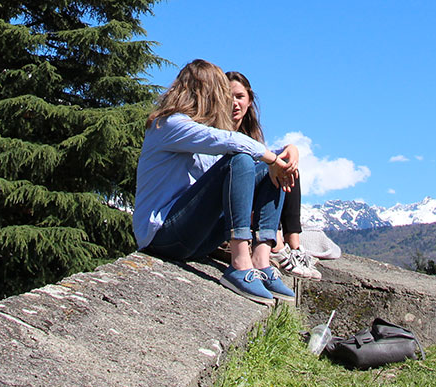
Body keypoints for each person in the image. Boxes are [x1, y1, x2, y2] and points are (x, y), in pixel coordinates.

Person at [134, 60, 300, 304]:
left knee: (267, 169)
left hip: (194, 241)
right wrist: (273, 157)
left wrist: (287, 152)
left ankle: (261, 262)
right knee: (241, 158)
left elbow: (247, 156)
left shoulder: (196, 134)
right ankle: (240, 264)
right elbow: (232, 143)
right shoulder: (169, 125)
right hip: (161, 237)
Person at [225, 71, 321, 280]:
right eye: (227, 97)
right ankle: (275, 247)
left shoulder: (250, 136)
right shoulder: (216, 135)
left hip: (250, 208)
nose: (233, 103)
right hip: (230, 213)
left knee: (284, 164)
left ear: (249, 100)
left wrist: (291, 148)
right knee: (276, 165)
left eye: (239, 97)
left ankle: (294, 246)